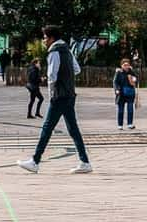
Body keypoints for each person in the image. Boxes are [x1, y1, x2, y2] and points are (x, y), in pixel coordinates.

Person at [17, 25, 92, 174]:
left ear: (51, 38)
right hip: (70, 95)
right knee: (73, 129)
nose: (44, 40)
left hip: (59, 97)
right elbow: (76, 69)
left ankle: (35, 161)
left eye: (45, 37)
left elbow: (52, 76)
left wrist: (52, 94)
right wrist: (67, 78)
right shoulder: (67, 50)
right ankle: (85, 162)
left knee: (47, 128)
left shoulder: (54, 52)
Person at [114, 59, 138, 130]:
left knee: (130, 109)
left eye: (127, 65)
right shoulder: (118, 72)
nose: (126, 66)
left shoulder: (132, 72)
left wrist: (134, 79)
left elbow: (136, 80)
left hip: (130, 93)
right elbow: (115, 82)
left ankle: (130, 124)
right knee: (121, 110)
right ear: (121, 66)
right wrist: (117, 89)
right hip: (121, 94)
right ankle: (120, 125)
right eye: (124, 65)